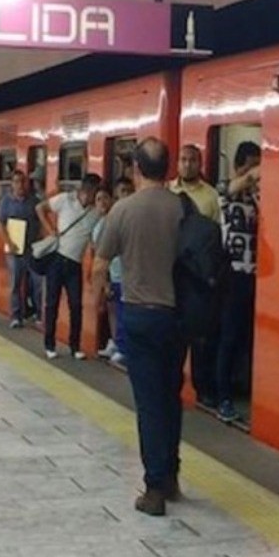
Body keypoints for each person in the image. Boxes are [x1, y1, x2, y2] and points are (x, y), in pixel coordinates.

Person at [93, 138, 186, 516]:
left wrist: (96, 304)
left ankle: (154, 489)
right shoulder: (184, 208)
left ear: (136, 169)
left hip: (140, 315)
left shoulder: (122, 210)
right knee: (170, 396)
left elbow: (100, 264)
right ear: (168, 168)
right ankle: (172, 476)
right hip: (176, 317)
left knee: (148, 404)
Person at [169, 145, 223, 407]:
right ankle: (173, 386)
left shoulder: (211, 196)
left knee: (200, 338)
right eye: (183, 159)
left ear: (200, 163)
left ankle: (202, 389)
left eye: (192, 160)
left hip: (200, 279)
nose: (187, 164)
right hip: (173, 276)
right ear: (177, 163)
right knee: (175, 338)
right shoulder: (167, 193)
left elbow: (217, 239)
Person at [214, 141, 262, 422]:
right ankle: (223, 397)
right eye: (253, 163)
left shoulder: (255, 197)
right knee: (228, 336)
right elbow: (235, 186)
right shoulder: (224, 189)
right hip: (231, 273)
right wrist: (256, 173)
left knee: (245, 335)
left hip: (255, 274)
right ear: (243, 164)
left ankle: (242, 384)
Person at [36, 174, 102, 360]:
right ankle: (49, 344)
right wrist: (51, 231)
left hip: (75, 264)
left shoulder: (94, 212)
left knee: (76, 305)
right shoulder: (65, 200)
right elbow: (40, 208)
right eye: (94, 192)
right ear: (85, 190)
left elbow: (95, 238)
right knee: (52, 303)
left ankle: (75, 346)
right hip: (57, 259)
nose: (95, 197)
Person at [95, 178, 134, 366]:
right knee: (114, 310)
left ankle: (122, 347)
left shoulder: (122, 219)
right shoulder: (106, 221)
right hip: (113, 273)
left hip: (125, 274)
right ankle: (116, 343)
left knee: (121, 311)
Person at [0, 169, 44, 328]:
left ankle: (39, 315)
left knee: (38, 283)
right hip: (14, 250)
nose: (20, 185)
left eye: (22, 181)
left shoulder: (34, 201)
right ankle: (16, 316)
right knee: (15, 284)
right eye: (16, 181)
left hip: (31, 249)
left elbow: (41, 222)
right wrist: (9, 243)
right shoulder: (6, 201)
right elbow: (1, 224)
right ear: (12, 184)